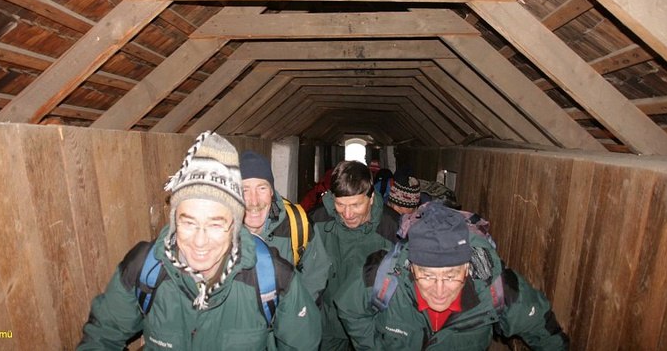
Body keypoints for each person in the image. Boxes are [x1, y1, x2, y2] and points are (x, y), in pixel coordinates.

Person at [78, 132, 321, 350]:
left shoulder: (273, 277)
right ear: (174, 220)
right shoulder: (146, 269)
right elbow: (102, 336)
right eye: (189, 223)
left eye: (215, 224)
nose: (200, 241)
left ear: (235, 225)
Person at [336, 202, 569, 350]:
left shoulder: (497, 289)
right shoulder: (383, 278)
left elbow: (544, 332)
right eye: (427, 276)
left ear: (467, 268)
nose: (439, 291)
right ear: (412, 268)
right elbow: (349, 308)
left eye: (451, 276)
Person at [308, 160, 400, 350]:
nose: (348, 214)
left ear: (371, 197)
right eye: (340, 205)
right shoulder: (316, 221)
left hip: (373, 327)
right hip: (327, 327)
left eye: (356, 205)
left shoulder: (393, 227)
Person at [240, 150, 331, 300]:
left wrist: (292, 311)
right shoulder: (217, 230)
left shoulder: (297, 225)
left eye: (262, 188)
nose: (254, 201)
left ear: (272, 192)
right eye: (244, 190)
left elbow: (316, 276)